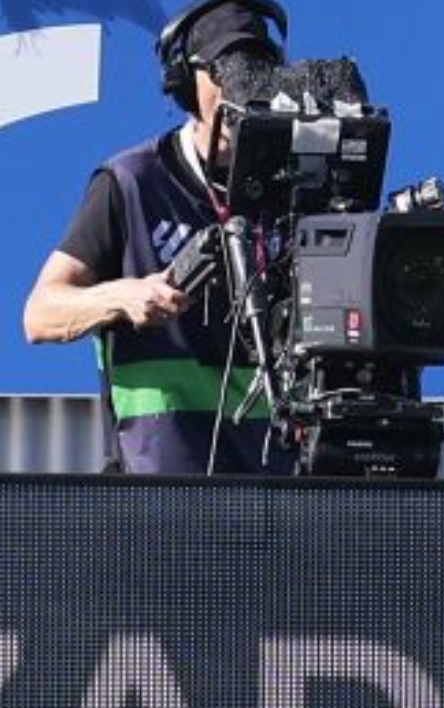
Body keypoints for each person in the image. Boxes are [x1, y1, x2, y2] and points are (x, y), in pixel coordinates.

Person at [21, 0, 293, 474]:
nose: (242, 86)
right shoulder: (130, 182)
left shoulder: (301, 184)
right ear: (186, 83)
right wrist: (122, 297)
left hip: (283, 481)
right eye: (225, 68)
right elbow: (40, 314)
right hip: (162, 489)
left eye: (257, 69)